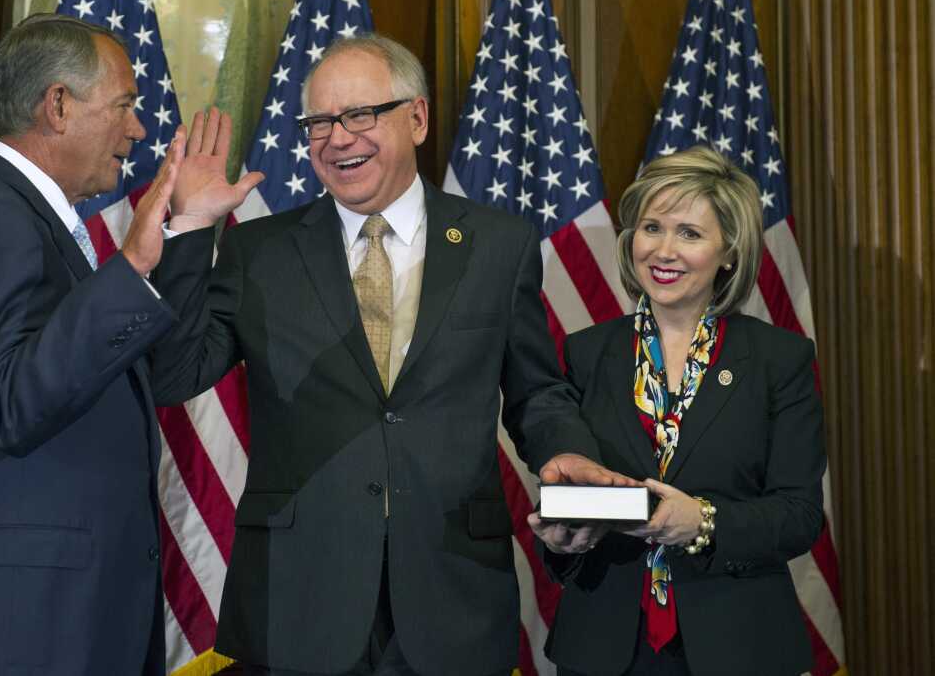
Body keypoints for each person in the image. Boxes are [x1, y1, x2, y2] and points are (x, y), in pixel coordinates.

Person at [149, 33, 629, 676]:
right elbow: (176, 371)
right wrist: (189, 230)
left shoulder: (497, 245)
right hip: (298, 597)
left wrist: (562, 451)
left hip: (450, 592)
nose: (337, 138)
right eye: (318, 122)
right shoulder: (258, 252)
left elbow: (537, 390)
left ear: (418, 117)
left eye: (360, 114)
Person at [0, 14, 256, 675]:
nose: (137, 129)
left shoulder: (35, 222)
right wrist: (128, 271)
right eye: (125, 106)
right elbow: (12, 401)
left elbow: (153, 376)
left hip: (58, 622)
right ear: (58, 105)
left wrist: (189, 229)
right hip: (12, 631)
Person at [529, 146, 827, 676]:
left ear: (729, 252)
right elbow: (579, 487)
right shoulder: (585, 352)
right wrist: (563, 539)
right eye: (652, 228)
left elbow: (800, 515)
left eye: (689, 233)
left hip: (737, 644)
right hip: (603, 645)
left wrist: (702, 521)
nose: (664, 251)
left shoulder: (779, 359)